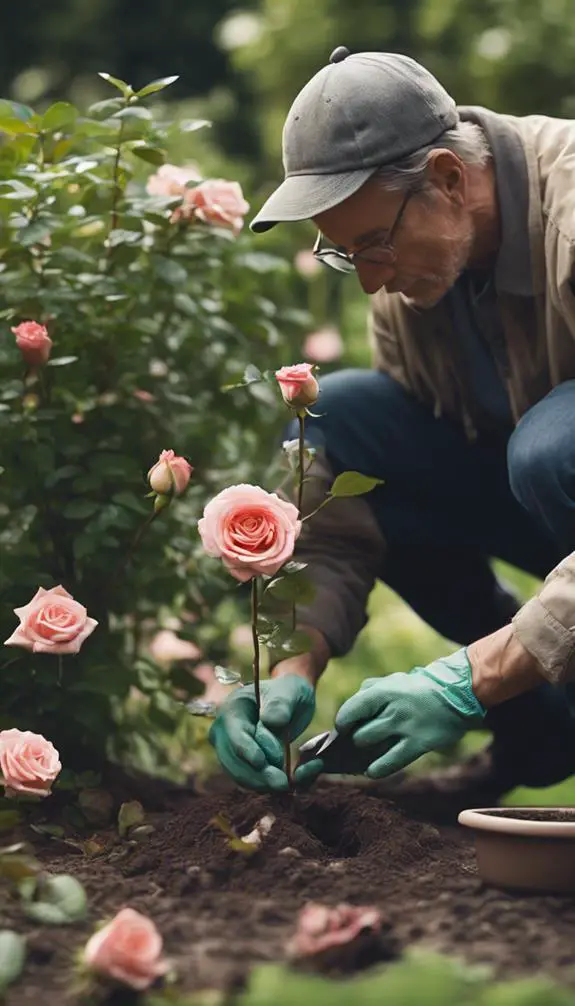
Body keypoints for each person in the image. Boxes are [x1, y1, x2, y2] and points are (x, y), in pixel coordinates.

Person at [209, 47, 575, 815]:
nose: (371, 279)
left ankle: (512, 677)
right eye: (343, 254)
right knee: (342, 419)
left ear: (447, 178)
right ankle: (539, 729)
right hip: (547, 513)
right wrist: (287, 664)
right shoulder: (412, 283)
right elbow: (350, 520)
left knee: (551, 447)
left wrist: (469, 676)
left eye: (373, 244)